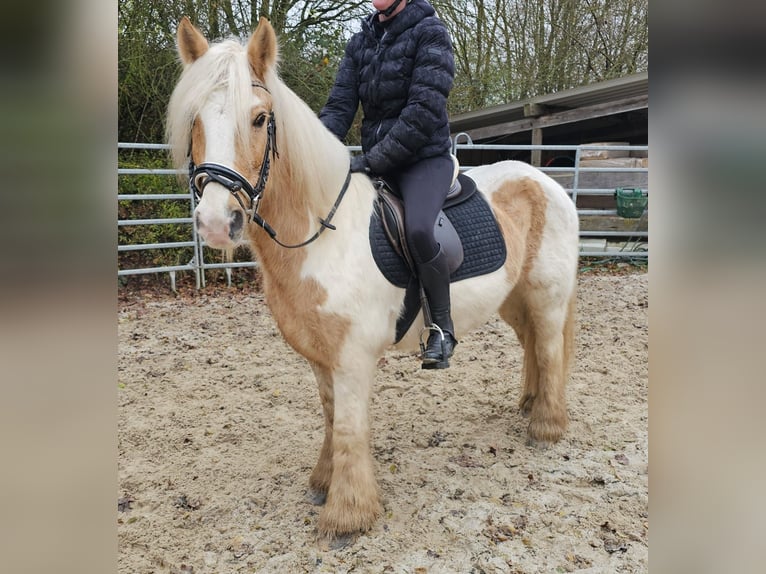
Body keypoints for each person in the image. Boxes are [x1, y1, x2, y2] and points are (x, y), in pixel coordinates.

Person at [319, 0, 457, 369]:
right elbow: (339, 107)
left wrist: (369, 162)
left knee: (418, 230)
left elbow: (422, 114)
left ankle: (441, 329)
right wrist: (312, 149)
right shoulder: (362, 41)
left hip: (423, 159)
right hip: (376, 159)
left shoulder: (432, 34)